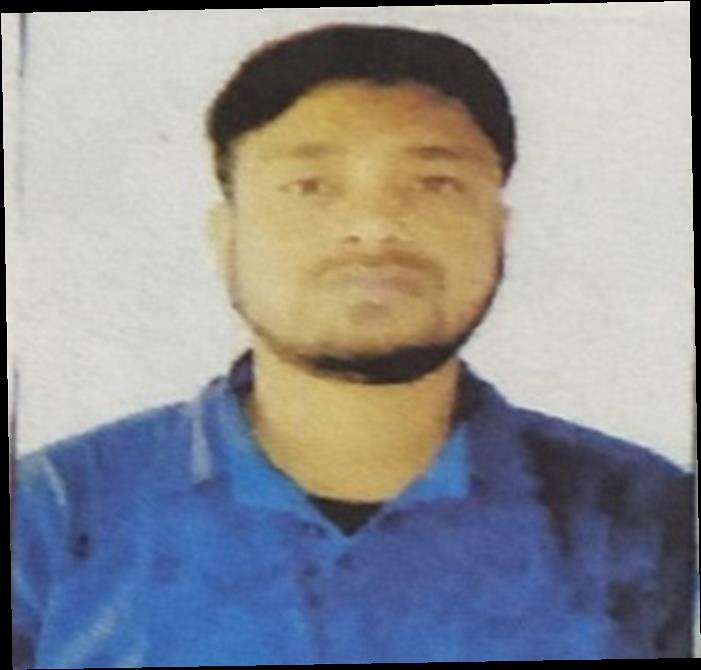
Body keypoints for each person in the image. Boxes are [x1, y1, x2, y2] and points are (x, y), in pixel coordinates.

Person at [11, 23, 695, 667]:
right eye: (310, 186)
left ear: (499, 231)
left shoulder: (652, 521)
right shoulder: (50, 514)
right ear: (226, 236)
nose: (374, 225)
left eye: (435, 183)